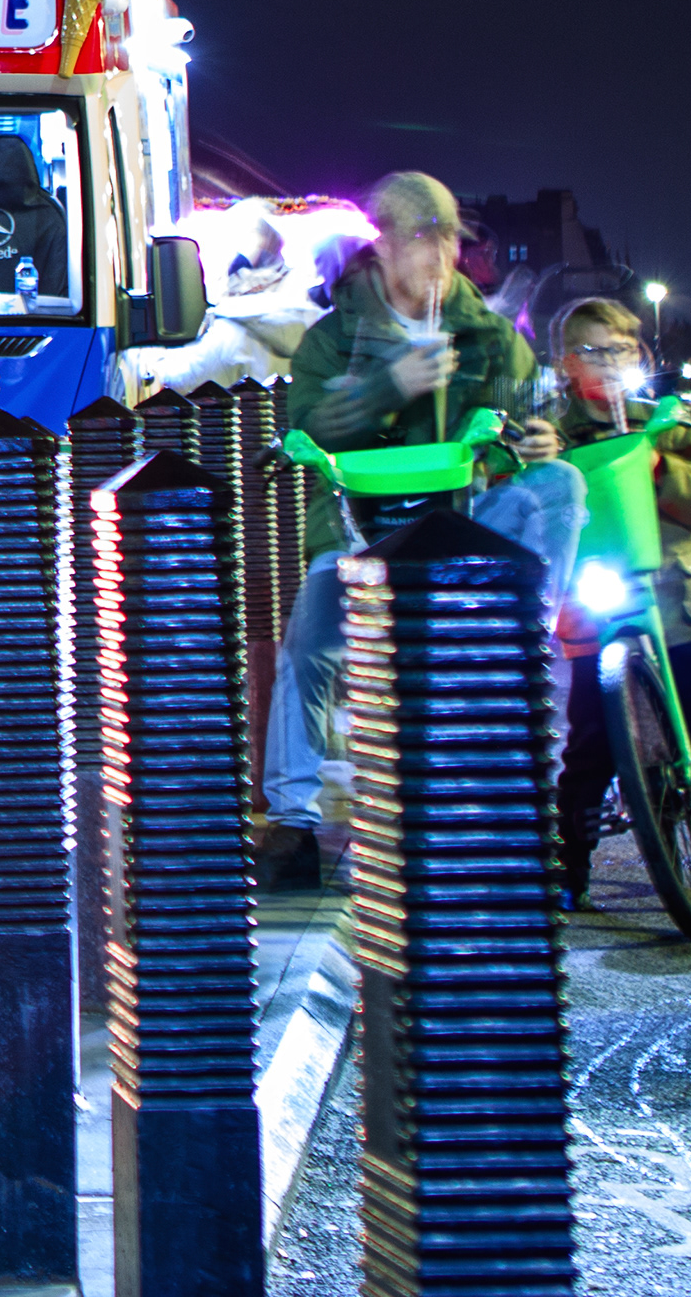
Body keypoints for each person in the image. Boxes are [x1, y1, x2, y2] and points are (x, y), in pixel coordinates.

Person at [253, 171, 582, 888]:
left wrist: (537, 440)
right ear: (384, 242)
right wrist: (388, 386)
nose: (438, 255)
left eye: (448, 239)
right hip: (358, 535)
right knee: (308, 644)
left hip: (464, 531)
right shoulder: (332, 338)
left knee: (562, 485)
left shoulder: (491, 337)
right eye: (421, 236)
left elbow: (533, 414)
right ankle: (294, 822)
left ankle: (526, 641)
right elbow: (306, 426)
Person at [545, 297, 691, 915]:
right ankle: (570, 865)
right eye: (590, 351)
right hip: (601, 605)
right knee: (589, 744)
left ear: (640, 356)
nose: (606, 364)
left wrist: (660, 465)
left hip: (685, 600)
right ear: (564, 364)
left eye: (620, 350)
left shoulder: (668, 425)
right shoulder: (551, 433)